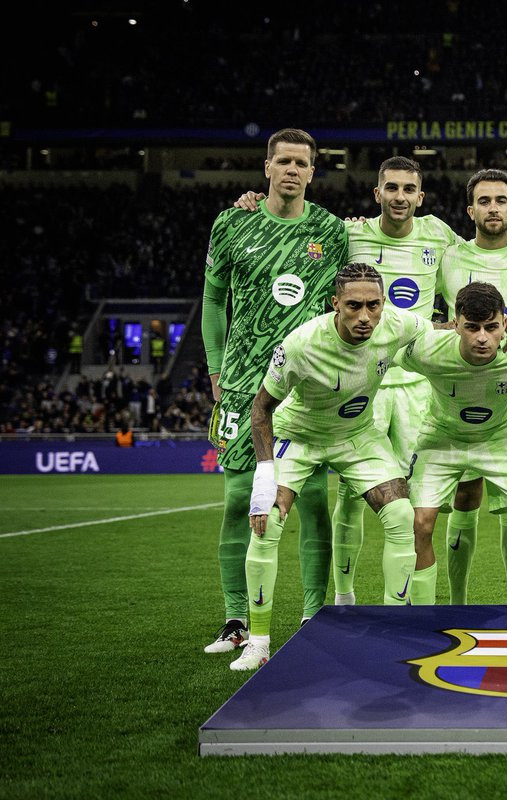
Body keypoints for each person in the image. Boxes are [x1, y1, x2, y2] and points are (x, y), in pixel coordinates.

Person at [232, 158, 507, 605]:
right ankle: (345, 596)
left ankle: (408, 603)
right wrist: (262, 201)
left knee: (408, 503)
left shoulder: (439, 235)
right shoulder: (350, 233)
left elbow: (485, 246)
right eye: (391, 188)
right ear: (377, 193)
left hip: (414, 383)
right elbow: (300, 229)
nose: (399, 196)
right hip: (361, 382)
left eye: (408, 189)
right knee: (351, 497)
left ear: (420, 196)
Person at [233, 263, 430, 670]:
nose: (365, 316)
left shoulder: (398, 323)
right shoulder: (301, 345)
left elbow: (442, 331)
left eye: (373, 305)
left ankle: (395, 627)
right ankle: (258, 642)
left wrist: (500, 327)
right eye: (354, 306)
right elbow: (261, 408)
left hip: (358, 435)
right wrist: (265, 475)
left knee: (401, 515)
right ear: (334, 303)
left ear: (383, 303)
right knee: (267, 523)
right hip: (299, 436)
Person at [200, 128, 348, 655]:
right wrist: (216, 369)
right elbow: (212, 300)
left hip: (305, 387)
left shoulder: (331, 231)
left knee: (313, 500)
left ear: (312, 172)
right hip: (243, 383)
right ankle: (235, 620)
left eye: (301, 163)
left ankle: (313, 616)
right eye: (283, 161)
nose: (292, 170)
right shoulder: (232, 222)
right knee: (239, 499)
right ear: (267, 167)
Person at [435, 169, 507, 603]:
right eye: (483, 201)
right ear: (470, 210)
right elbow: (430, 312)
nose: (492, 208)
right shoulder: (449, 257)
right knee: (465, 496)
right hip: (461, 392)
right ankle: (457, 603)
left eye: (501, 200)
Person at [396, 282, 507, 605]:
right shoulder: (428, 351)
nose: (482, 337)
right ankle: (424, 620)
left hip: (502, 438)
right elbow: (381, 347)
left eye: (491, 327)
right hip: (442, 439)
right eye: (472, 327)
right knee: (419, 524)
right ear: (456, 325)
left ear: (505, 324)